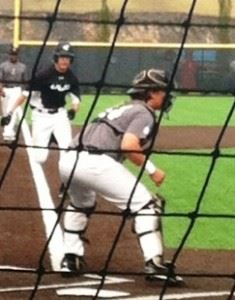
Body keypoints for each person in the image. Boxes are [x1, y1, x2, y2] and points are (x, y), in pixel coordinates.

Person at [59, 68, 183, 285]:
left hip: (69, 160)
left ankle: (70, 258)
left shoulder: (121, 108)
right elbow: (129, 146)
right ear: (152, 93)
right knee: (147, 205)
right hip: (96, 162)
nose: (167, 96)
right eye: (164, 91)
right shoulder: (143, 113)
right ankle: (154, 264)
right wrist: (153, 170)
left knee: (81, 203)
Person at [1, 41, 81, 197]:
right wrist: (9, 113)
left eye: (68, 58)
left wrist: (73, 110)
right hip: (41, 117)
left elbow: (76, 99)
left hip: (60, 116)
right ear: (56, 58)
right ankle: (50, 137)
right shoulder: (43, 75)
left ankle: (66, 185)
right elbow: (24, 96)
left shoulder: (72, 77)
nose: (65, 60)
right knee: (40, 157)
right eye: (62, 57)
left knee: (68, 151)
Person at [0, 45, 28, 141]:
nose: (13, 56)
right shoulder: (3, 66)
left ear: (18, 55)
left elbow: (24, 81)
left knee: (13, 111)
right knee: (5, 112)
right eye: (12, 54)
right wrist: (1, 89)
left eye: (15, 54)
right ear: (9, 54)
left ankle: (8, 133)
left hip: (16, 90)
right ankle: (7, 131)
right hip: (6, 90)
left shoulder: (23, 67)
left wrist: (23, 93)